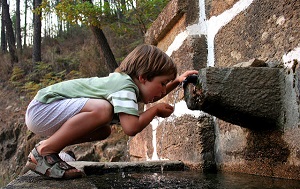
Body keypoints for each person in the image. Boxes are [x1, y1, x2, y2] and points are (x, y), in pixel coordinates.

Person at [24, 44, 198, 179]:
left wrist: (176, 82)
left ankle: (51, 150)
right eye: (162, 84)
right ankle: (44, 152)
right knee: (103, 110)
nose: (162, 91)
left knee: (104, 130)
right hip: (43, 108)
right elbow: (131, 127)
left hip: (45, 112)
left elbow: (151, 95)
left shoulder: (130, 86)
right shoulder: (125, 86)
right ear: (143, 78)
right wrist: (154, 111)